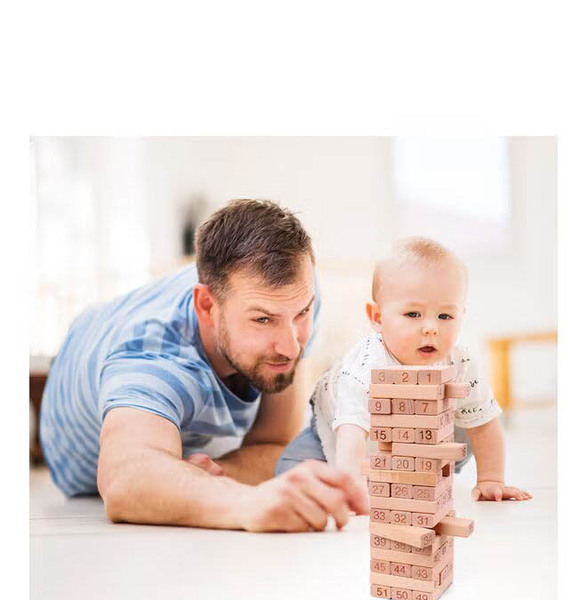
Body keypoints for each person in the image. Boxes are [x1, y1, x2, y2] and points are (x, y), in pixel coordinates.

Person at [40, 199, 368, 531]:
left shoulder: (294, 294)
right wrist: (247, 501)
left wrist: (208, 476)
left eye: (302, 314)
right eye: (262, 319)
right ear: (207, 305)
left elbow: (273, 444)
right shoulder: (153, 352)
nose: (291, 344)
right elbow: (124, 479)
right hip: (71, 416)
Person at [276, 236, 533, 503]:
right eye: (413, 314)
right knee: (292, 469)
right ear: (377, 318)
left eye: (445, 316)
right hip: (339, 429)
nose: (431, 327)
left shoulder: (460, 362)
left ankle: (421, 469)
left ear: (461, 315)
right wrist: (351, 487)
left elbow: (485, 422)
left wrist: (491, 479)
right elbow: (351, 432)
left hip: (420, 435)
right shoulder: (365, 367)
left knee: (468, 423)